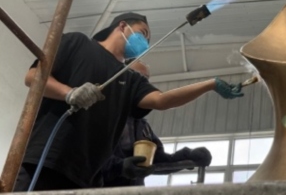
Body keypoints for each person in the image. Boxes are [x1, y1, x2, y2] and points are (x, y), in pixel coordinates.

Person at [15, 12, 245, 191]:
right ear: (122, 25)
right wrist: (69, 93)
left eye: (148, 39)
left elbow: (162, 100)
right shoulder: (78, 43)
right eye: (142, 33)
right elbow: (33, 76)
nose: (144, 41)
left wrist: (210, 84)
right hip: (46, 160)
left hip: (89, 177)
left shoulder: (129, 79)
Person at [96, 60, 213, 187]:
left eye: (145, 79)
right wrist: (118, 167)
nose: (141, 83)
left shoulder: (142, 127)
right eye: (135, 75)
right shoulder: (96, 116)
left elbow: (157, 161)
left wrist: (188, 156)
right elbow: (83, 158)